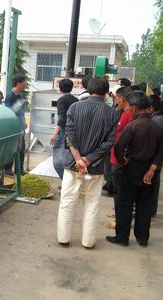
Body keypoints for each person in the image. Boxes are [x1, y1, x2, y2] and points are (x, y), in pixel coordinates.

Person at [57, 77, 117, 249]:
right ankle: (88, 242)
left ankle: (63, 238)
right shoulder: (111, 113)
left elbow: (69, 136)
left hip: (72, 165)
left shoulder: (74, 107)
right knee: (91, 205)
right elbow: (109, 142)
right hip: (96, 168)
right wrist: (88, 159)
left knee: (67, 202)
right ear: (106, 93)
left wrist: (78, 159)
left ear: (88, 89)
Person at [106, 91, 163, 247]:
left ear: (136, 108)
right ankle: (143, 238)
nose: (129, 109)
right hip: (150, 170)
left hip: (131, 168)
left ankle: (122, 238)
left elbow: (118, 147)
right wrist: (152, 169)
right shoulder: (157, 127)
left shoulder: (133, 126)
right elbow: (161, 151)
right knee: (144, 206)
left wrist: (123, 161)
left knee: (124, 204)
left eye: (131, 107)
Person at [106, 86, 134, 229]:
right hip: (117, 157)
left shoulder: (127, 115)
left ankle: (119, 222)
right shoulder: (126, 113)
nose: (115, 101)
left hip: (119, 159)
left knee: (120, 193)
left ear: (122, 99)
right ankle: (118, 216)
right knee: (118, 191)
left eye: (117, 98)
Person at [50, 78, 78, 179]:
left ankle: (66, 181)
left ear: (59, 88)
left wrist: (54, 134)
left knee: (58, 160)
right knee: (70, 158)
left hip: (64, 133)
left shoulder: (61, 100)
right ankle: (70, 182)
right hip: (74, 134)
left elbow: (62, 119)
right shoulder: (76, 100)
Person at [4, 74, 28, 176]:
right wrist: (20, 103)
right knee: (13, 148)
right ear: (18, 83)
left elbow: (21, 112)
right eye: (24, 83)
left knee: (21, 148)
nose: (25, 85)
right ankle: (8, 169)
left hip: (20, 126)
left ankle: (19, 169)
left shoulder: (21, 95)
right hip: (13, 127)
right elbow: (10, 112)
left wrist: (24, 122)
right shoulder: (10, 96)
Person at [148, 94, 163, 217]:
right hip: (157, 158)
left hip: (155, 159)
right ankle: (151, 210)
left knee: (152, 184)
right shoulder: (158, 119)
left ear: (151, 108)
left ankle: (150, 210)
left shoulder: (155, 121)